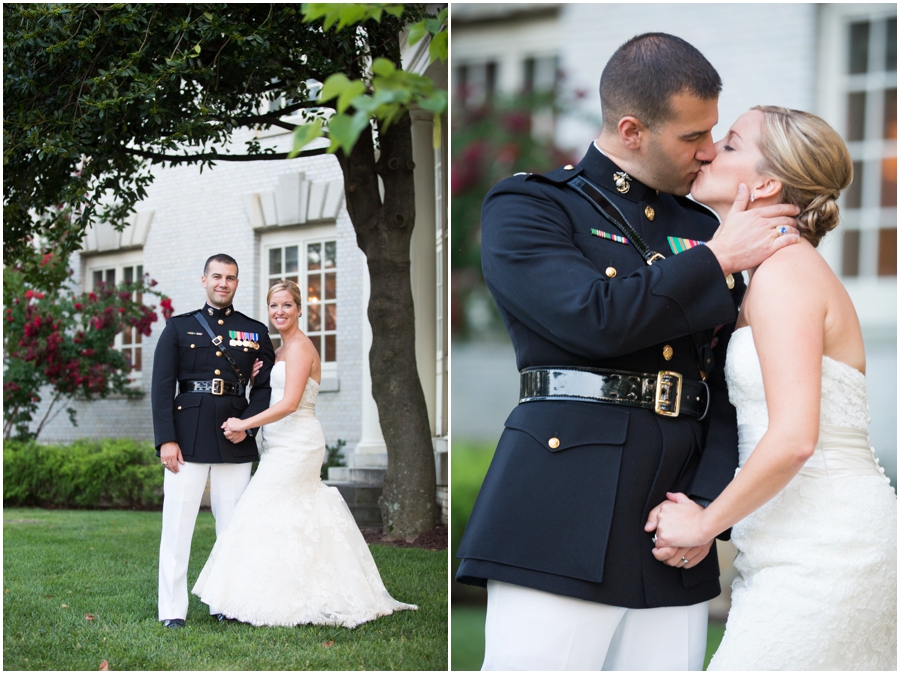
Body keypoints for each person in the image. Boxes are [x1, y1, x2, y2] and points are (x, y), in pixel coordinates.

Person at [455, 33, 801, 671]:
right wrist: (717, 260)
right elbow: (593, 320)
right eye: (691, 136)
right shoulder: (531, 206)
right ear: (632, 130)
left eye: (714, 132)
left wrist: (705, 505)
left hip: (673, 519)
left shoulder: (702, 226)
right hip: (562, 498)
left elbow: (729, 379)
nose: (707, 151)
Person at [647, 106, 897, 670]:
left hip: (826, 547)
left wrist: (704, 526)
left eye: (730, 144)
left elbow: (793, 439)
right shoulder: (772, 271)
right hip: (798, 539)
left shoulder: (785, 273)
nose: (709, 151)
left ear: (765, 183)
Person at [191, 280, 417, 627]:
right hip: (278, 443)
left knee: (259, 508)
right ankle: (258, 593)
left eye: (286, 305)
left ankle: (270, 598)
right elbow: (272, 388)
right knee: (281, 514)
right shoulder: (280, 351)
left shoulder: (299, 349)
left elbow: (290, 403)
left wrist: (244, 423)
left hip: (298, 442)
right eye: (273, 306)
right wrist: (257, 377)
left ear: (299, 309)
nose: (279, 312)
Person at [152, 253, 276, 629]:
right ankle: (172, 610)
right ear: (203, 280)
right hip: (186, 438)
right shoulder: (178, 327)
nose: (224, 283)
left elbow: (266, 387)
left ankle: (226, 602)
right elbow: (161, 387)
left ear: (237, 283)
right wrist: (165, 441)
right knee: (177, 527)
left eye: (231, 278)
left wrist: (249, 426)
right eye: (217, 276)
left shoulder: (254, 331)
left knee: (232, 527)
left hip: (233, 434)